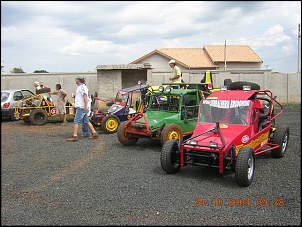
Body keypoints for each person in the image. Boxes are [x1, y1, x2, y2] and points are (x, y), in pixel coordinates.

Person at [67, 75, 99, 142]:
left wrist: (85, 106)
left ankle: (75, 136)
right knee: (86, 121)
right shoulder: (82, 87)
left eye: (76, 79)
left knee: (76, 121)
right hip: (82, 107)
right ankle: (94, 133)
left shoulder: (81, 87)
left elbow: (85, 97)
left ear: (79, 80)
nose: (75, 81)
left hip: (81, 107)